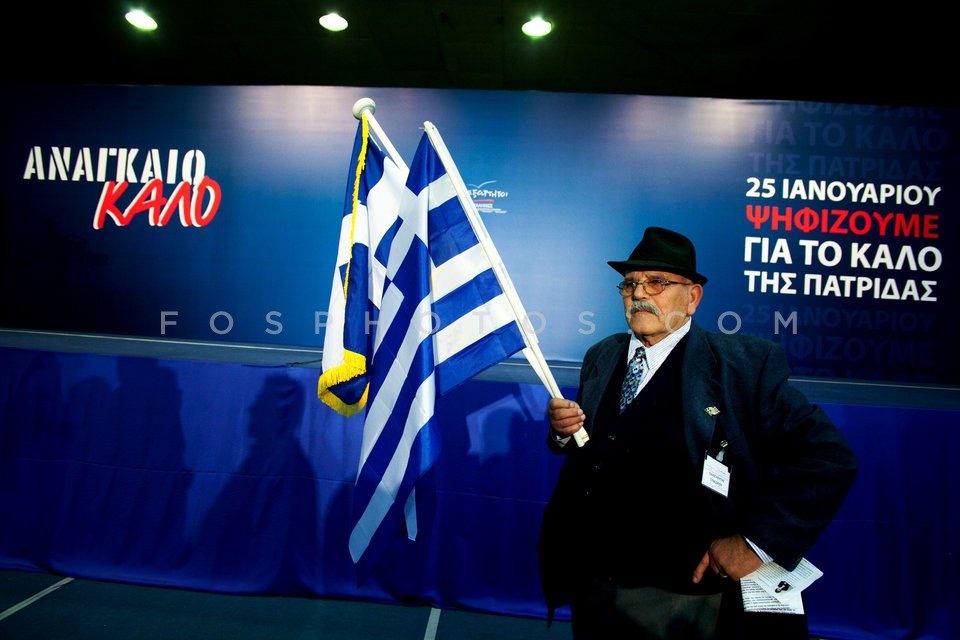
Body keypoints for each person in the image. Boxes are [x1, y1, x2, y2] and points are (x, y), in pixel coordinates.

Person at [538, 226, 858, 639]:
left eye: (657, 283)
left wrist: (754, 544)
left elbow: (829, 459)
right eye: (630, 284)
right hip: (593, 583)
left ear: (692, 298)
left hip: (684, 598)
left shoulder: (744, 367)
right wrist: (563, 434)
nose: (639, 294)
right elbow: (592, 449)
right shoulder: (603, 354)